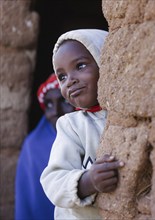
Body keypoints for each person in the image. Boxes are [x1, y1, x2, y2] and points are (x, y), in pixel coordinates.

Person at [40, 29, 125, 219]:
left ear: (107, 65)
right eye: (62, 77)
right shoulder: (71, 126)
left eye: (80, 66)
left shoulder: (129, 117)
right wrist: (88, 182)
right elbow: (53, 181)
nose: (70, 81)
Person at [15, 73, 75, 220]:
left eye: (64, 102)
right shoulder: (34, 145)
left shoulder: (91, 137)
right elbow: (26, 201)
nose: (55, 111)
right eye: (49, 104)